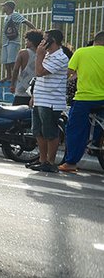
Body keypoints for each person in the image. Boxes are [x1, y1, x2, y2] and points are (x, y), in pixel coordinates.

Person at [58, 31, 104, 173]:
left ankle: (71, 163)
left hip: (84, 98)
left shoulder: (81, 52)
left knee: (75, 130)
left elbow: (68, 73)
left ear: (95, 40)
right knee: (100, 125)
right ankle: (97, 144)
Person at [28, 29, 69, 173]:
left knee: (50, 132)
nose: (42, 42)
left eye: (45, 39)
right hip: (40, 99)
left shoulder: (61, 57)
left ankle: (51, 162)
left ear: (53, 41)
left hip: (51, 101)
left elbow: (39, 72)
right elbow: (38, 77)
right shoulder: (47, 55)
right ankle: (42, 160)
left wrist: (39, 55)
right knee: (38, 131)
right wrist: (34, 96)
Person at [0, 0, 33, 82]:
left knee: (12, 60)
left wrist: (35, 30)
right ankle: (8, 76)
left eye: (4, 6)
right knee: (6, 60)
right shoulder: (6, 17)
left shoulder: (15, 15)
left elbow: (25, 21)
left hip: (13, 41)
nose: (3, 8)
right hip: (5, 42)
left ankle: (14, 77)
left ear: (9, 7)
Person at [11, 30, 43, 106]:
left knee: (16, 111)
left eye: (27, 40)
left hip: (22, 87)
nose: (25, 43)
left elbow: (15, 70)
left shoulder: (23, 52)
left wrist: (12, 84)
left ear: (31, 42)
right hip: (36, 88)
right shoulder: (42, 54)